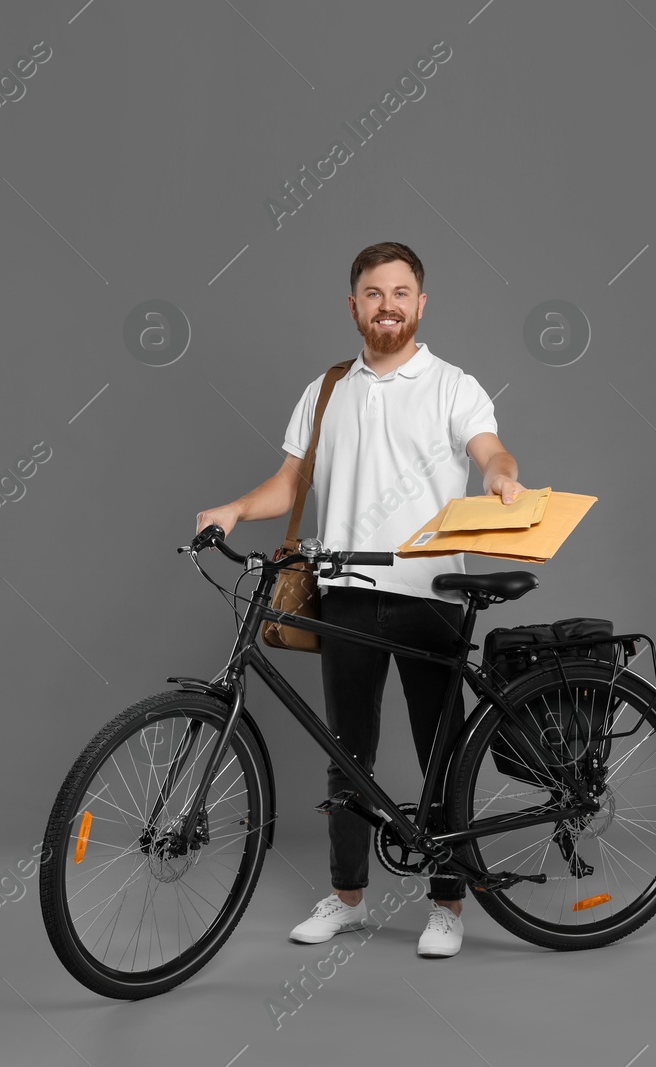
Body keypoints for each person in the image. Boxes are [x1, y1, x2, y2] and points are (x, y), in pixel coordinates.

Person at [195, 241, 526, 959]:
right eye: (374, 293)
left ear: (421, 303)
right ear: (354, 305)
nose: (388, 306)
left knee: (442, 751)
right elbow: (290, 484)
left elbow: (489, 448)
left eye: (401, 292)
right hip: (342, 592)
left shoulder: (451, 385)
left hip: (430, 593)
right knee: (345, 753)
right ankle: (347, 897)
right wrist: (233, 508)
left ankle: (447, 903)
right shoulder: (326, 389)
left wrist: (502, 476)